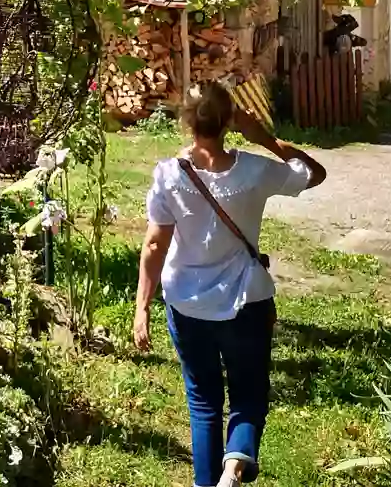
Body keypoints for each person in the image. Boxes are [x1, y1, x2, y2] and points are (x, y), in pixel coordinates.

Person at [132, 82, 327, 487]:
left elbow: (154, 243)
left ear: (186, 122)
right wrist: (268, 140)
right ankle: (233, 469)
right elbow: (314, 174)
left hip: (186, 305)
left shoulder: (169, 175)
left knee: (203, 402)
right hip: (246, 303)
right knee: (249, 394)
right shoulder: (255, 170)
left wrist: (142, 307)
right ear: (230, 121)